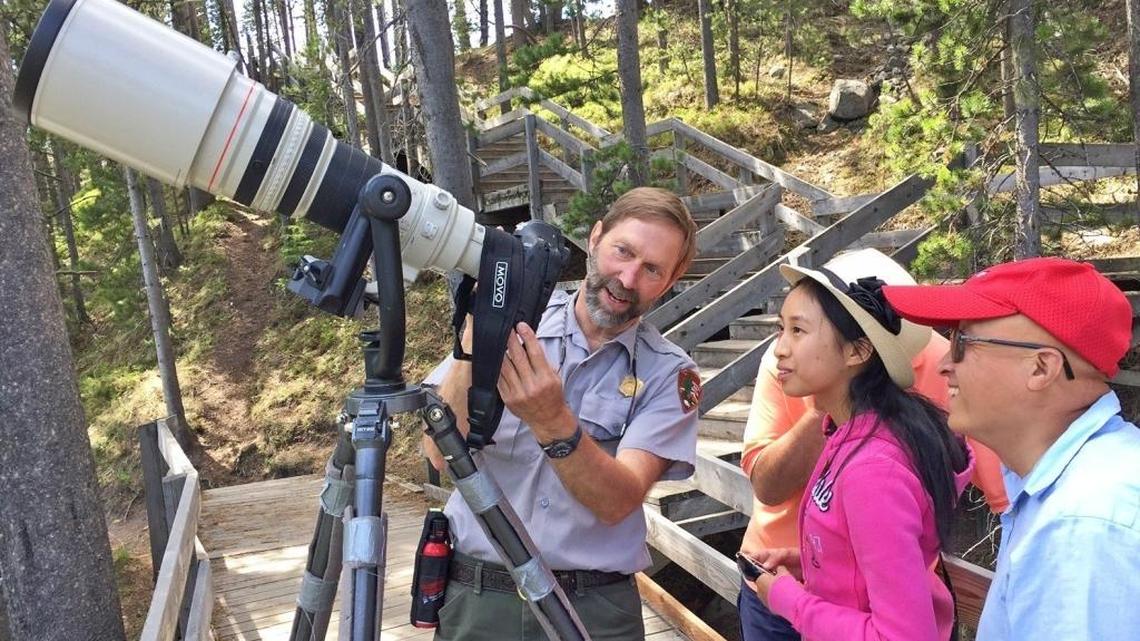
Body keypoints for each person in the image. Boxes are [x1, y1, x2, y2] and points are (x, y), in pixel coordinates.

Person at [421, 187, 702, 641]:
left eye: (651, 269)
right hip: (478, 597)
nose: (627, 279)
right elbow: (437, 450)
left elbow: (618, 502)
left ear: (670, 282)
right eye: (622, 251)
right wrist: (479, 335)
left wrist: (552, 421)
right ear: (594, 239)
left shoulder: (671, 375)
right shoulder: (513, 319)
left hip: (594, 608)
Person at [738, 249, 1009, 641]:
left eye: (797, 330)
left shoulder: (871, 467)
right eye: (781, 329)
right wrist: (815, 563)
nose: (779, 348)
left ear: (858, 350)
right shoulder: (849, 433)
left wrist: (787, 599)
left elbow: (903, 635)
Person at [882, 257, 1140, 641]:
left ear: (1041, 368)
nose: (944, 365)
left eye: (963, 343)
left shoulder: (1082, 526)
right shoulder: (1077, 484)